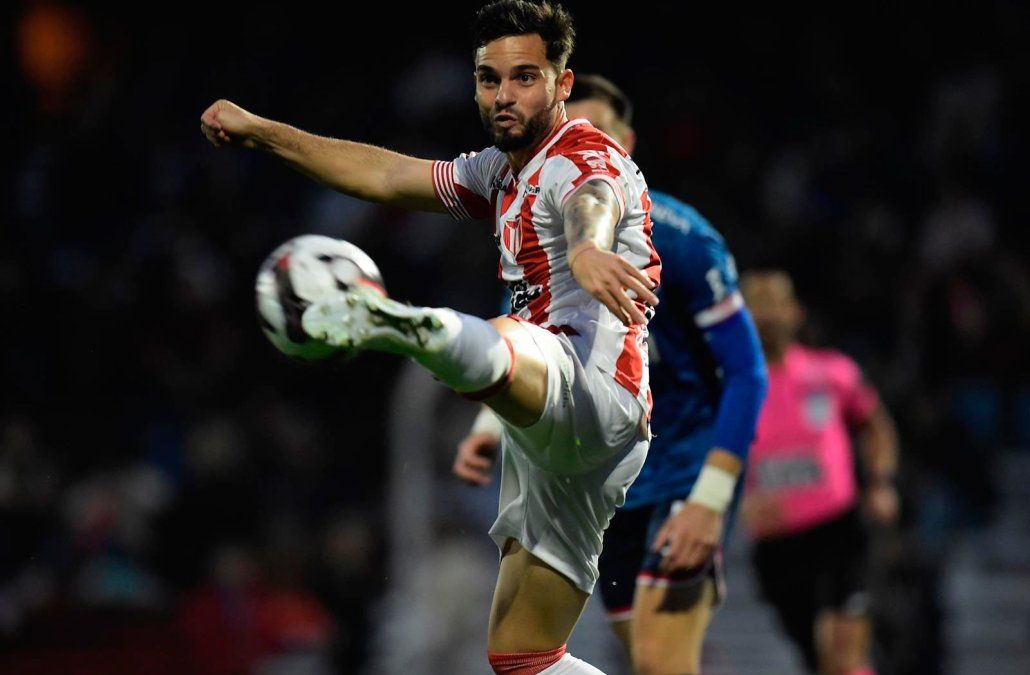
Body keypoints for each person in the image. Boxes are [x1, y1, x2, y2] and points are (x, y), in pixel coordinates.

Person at [200, 2, 660, 673]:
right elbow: (384, 175)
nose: (504, 95)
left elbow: (593, 197)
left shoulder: (583, 154)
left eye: (525, 77)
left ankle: (398, 322)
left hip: (591, 384)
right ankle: (415, 328)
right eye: (489, 79)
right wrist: (264, 133)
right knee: (523, 657)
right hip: (565, 440)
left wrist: (588, 248)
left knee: (507, 333)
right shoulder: (499, 171)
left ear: (563, 85)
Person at [454, 75, 768, 675]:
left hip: (681, 472)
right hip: (606, 480)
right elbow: (534, 345)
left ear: (626, 143)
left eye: (595, 134)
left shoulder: (681, 238)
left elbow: (747, 372)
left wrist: (710, 499)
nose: (581, 148)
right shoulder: (543, 237)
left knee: (658, 661)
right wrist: (489, 427)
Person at [739, 270, 900, 675]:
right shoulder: (732, 389)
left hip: (839, 533)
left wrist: (880, 483)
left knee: (842, 650)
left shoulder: (832, 373)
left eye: (776, 306)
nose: (769, 318)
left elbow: (875, 426)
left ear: (796, 313)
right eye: (758, 309)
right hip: (777, 546)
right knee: (820, 660)